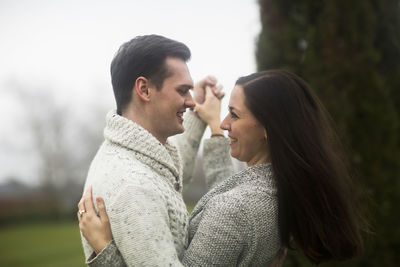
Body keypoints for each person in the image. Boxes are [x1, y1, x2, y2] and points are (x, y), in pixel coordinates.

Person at [79, 70, 366, 266]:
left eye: (235, 114)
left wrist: (105, 251)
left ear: (269, 129)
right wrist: (212, 127)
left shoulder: (238, 210)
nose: (226, 122)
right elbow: (229, 200)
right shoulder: (276, 191)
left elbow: (230, 212)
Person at [78, 34, 224, 266]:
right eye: (182, 91)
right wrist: (106, 258)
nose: (190, 101)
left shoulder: (124, 150)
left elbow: (167, 171)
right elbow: (150, 185)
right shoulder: (134, 187)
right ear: (144, 89)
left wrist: (198, 116)